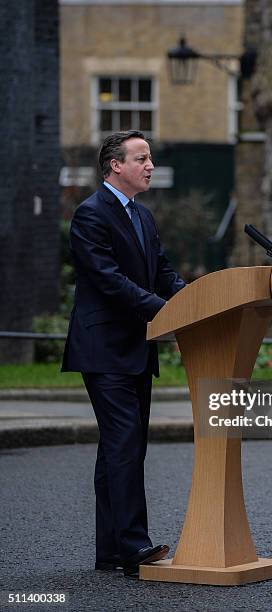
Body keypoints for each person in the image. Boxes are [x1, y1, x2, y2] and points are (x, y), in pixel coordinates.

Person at [61, 130, 185, 578]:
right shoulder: (90, 214)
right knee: (125, 446)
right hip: (104, 349)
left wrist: (193, 302)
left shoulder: (143, 216)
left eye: (149, 157)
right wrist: (165, 312)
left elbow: (163, 271)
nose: (150, 165)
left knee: (120, 449)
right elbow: (110, 280)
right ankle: (134, 547)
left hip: (135, 348)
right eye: (142, 158)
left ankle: (110, 549)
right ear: (116, 165)